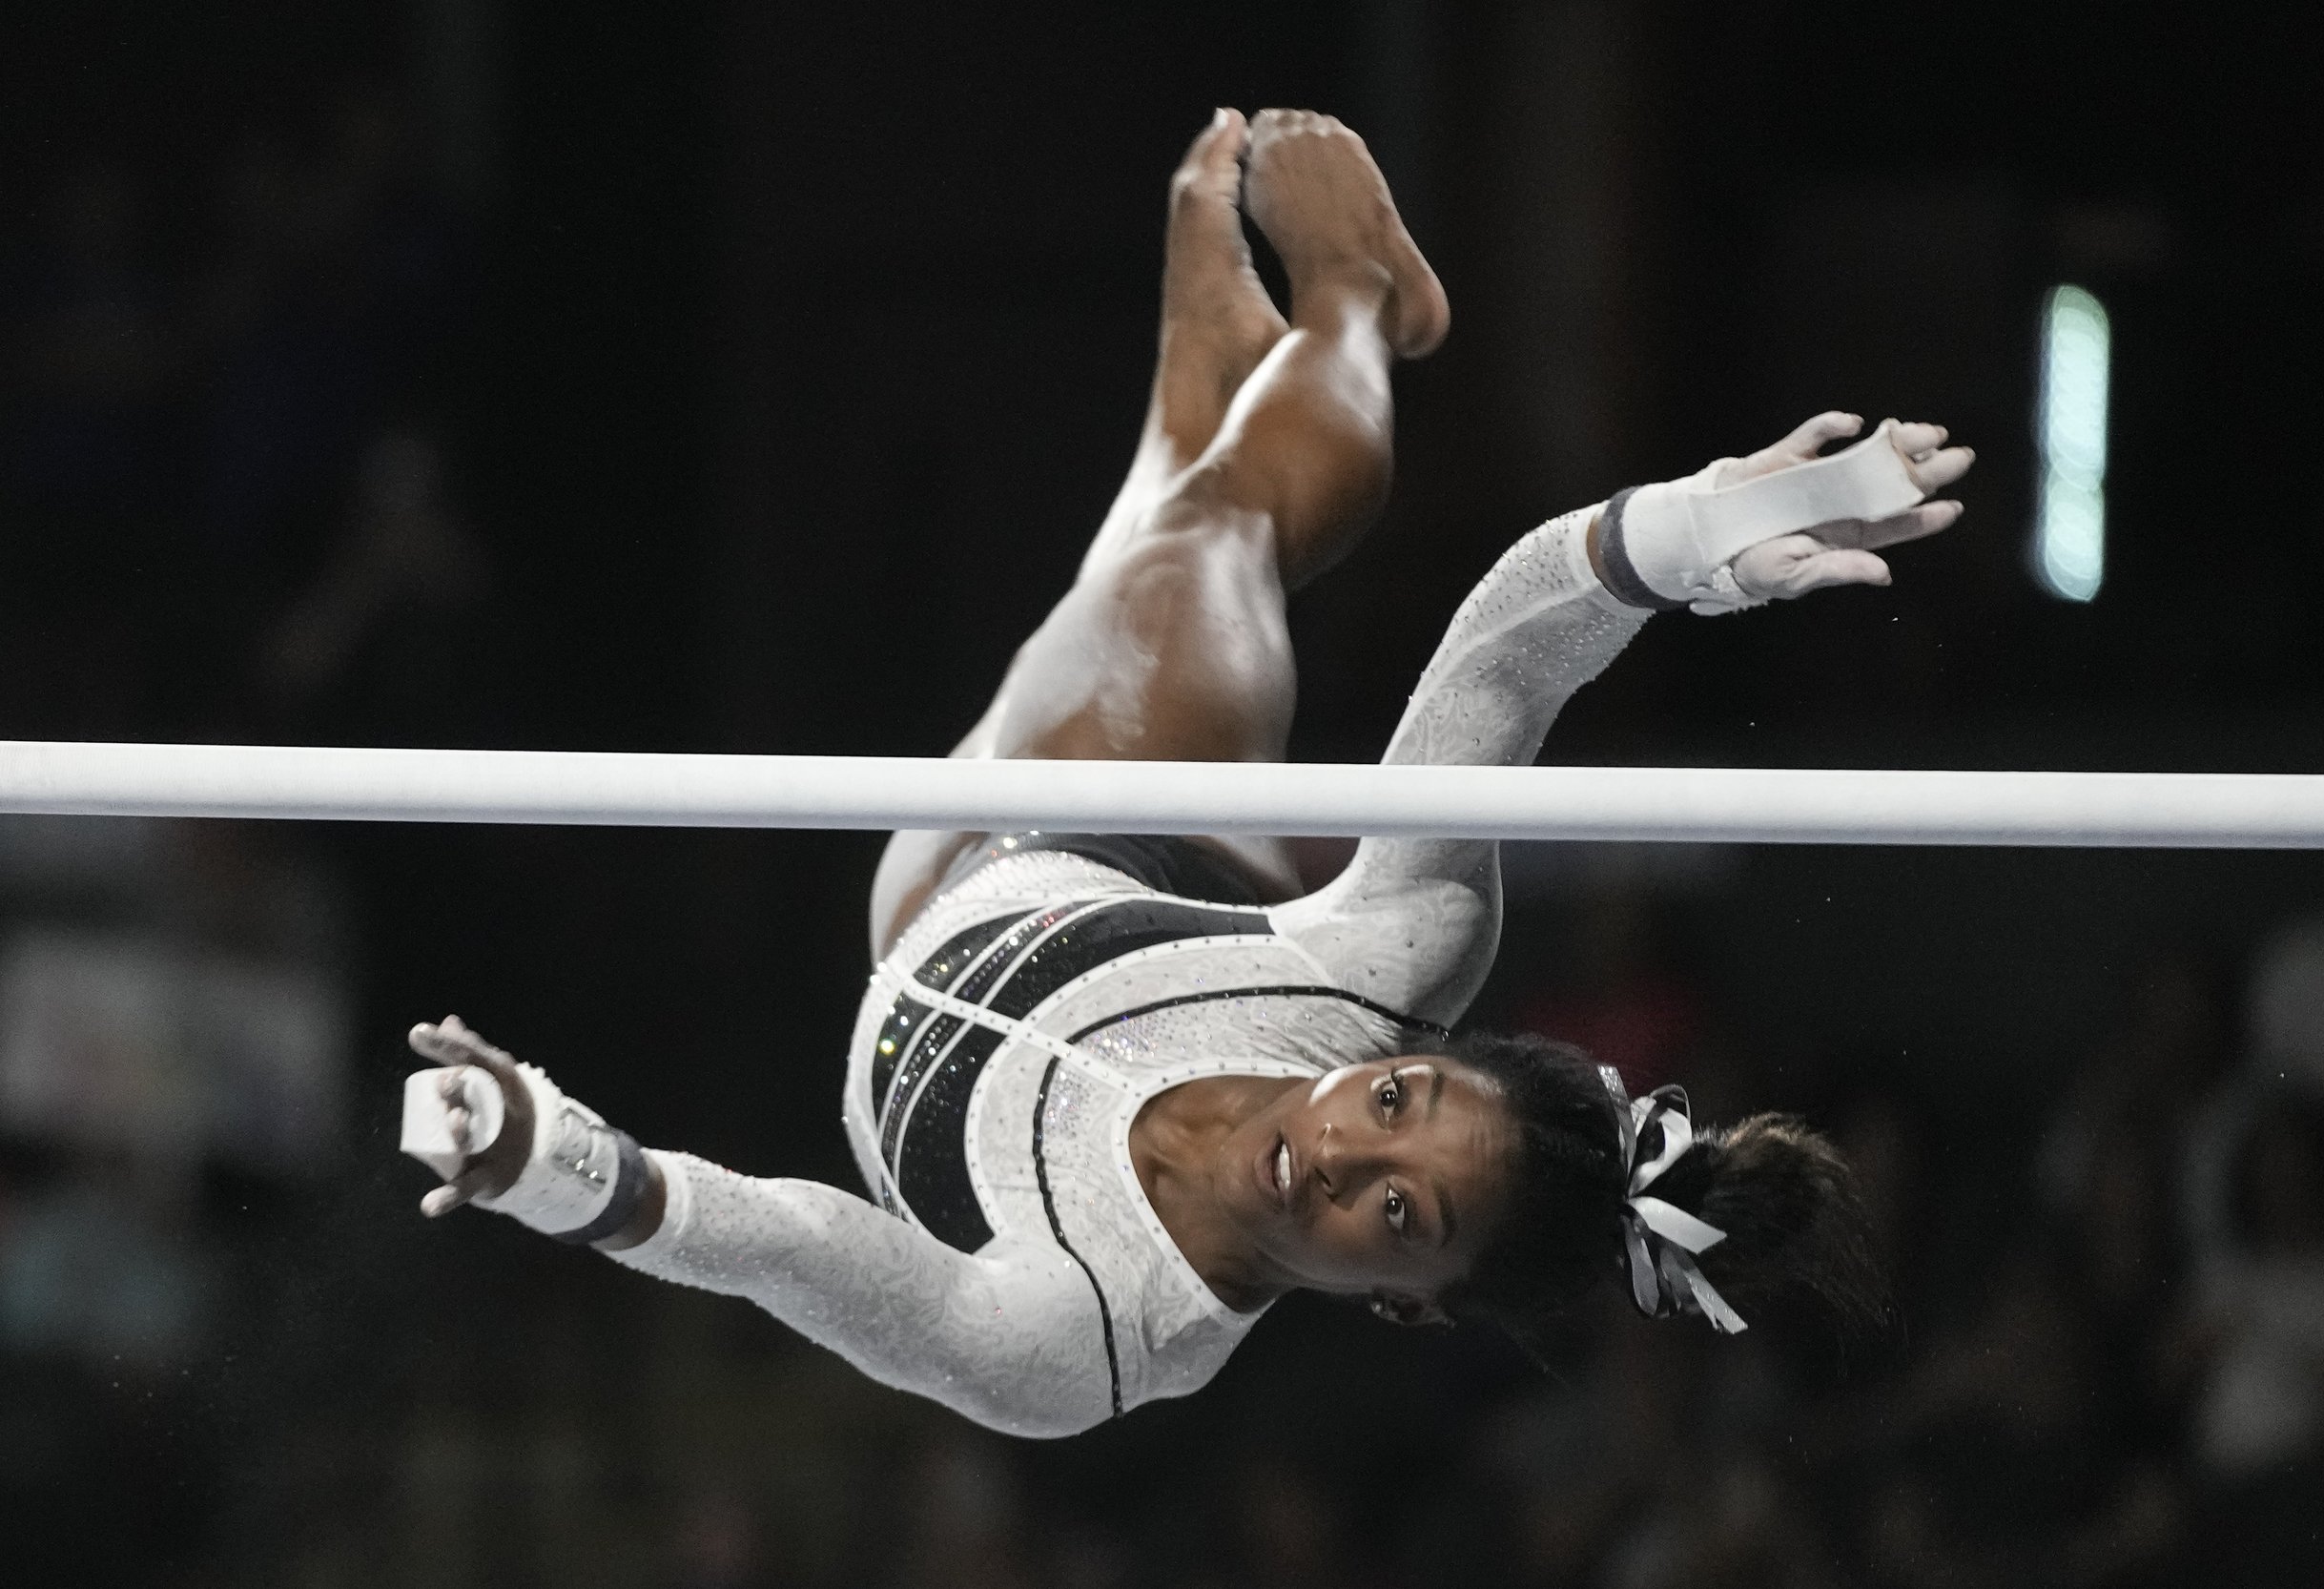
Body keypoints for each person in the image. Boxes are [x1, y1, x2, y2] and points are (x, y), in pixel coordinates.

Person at [401, 110, 1967, 1436]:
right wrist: (1696, 533)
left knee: (1160, 549)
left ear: (1407, 1303)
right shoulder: (1392, 959)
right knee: (1204, 560)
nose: (1341, 1141)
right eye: (1400, 1095)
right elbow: (1508, 651)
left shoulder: (1083, 1340)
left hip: (932, 897)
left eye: (1394, 1211)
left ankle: (1217, 385)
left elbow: (792, 1245)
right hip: (1104, 836)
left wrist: (562, 1164)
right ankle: (1352, 305)